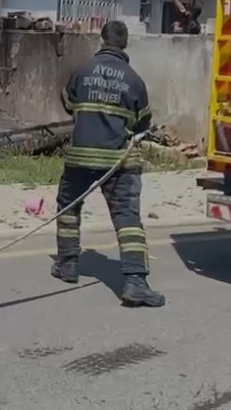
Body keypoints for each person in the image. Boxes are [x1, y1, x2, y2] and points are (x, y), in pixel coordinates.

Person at [52, 19, 165, 308]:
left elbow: (67, 102)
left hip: (80, 156)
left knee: (68, 208)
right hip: (118, 161)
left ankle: (67, 266)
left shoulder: (82, 71)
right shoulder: (134, 80)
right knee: (127, 218)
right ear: (125, 44)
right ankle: (135, 283)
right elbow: (143, 122)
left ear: (101, 40)